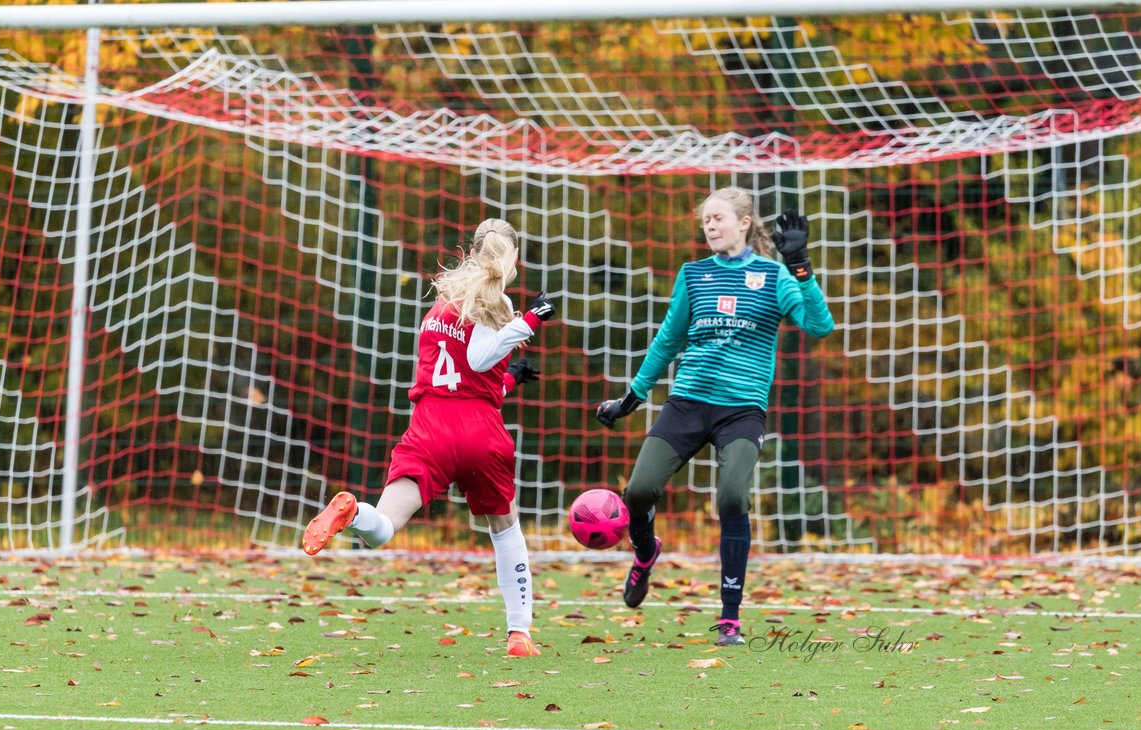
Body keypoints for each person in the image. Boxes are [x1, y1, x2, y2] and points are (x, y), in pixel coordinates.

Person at [302, 218, 555, 658]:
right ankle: (519, 634)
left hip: (430, 425)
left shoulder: (441, 304)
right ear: (511, 259)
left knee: (382, 529)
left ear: (472, 253)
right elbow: (478, 360)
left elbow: (461, 375)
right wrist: (529, 319)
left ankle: (353, 511)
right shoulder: (495, 301)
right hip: (479, 431)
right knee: (505, 528)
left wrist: (509, 381)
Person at [595, 187, 834, 646]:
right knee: (638, 491)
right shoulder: (694, 275)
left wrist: (800, 265)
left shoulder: (774, 275)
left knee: (730, 498)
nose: (709, 226)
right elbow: (667, 341)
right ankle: (645, 554)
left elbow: (820, 326)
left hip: (741, 412)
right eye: (705, 219)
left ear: (744, 223)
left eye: (718, 218)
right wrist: (632, 398)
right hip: (686, 405)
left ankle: (729, 618)